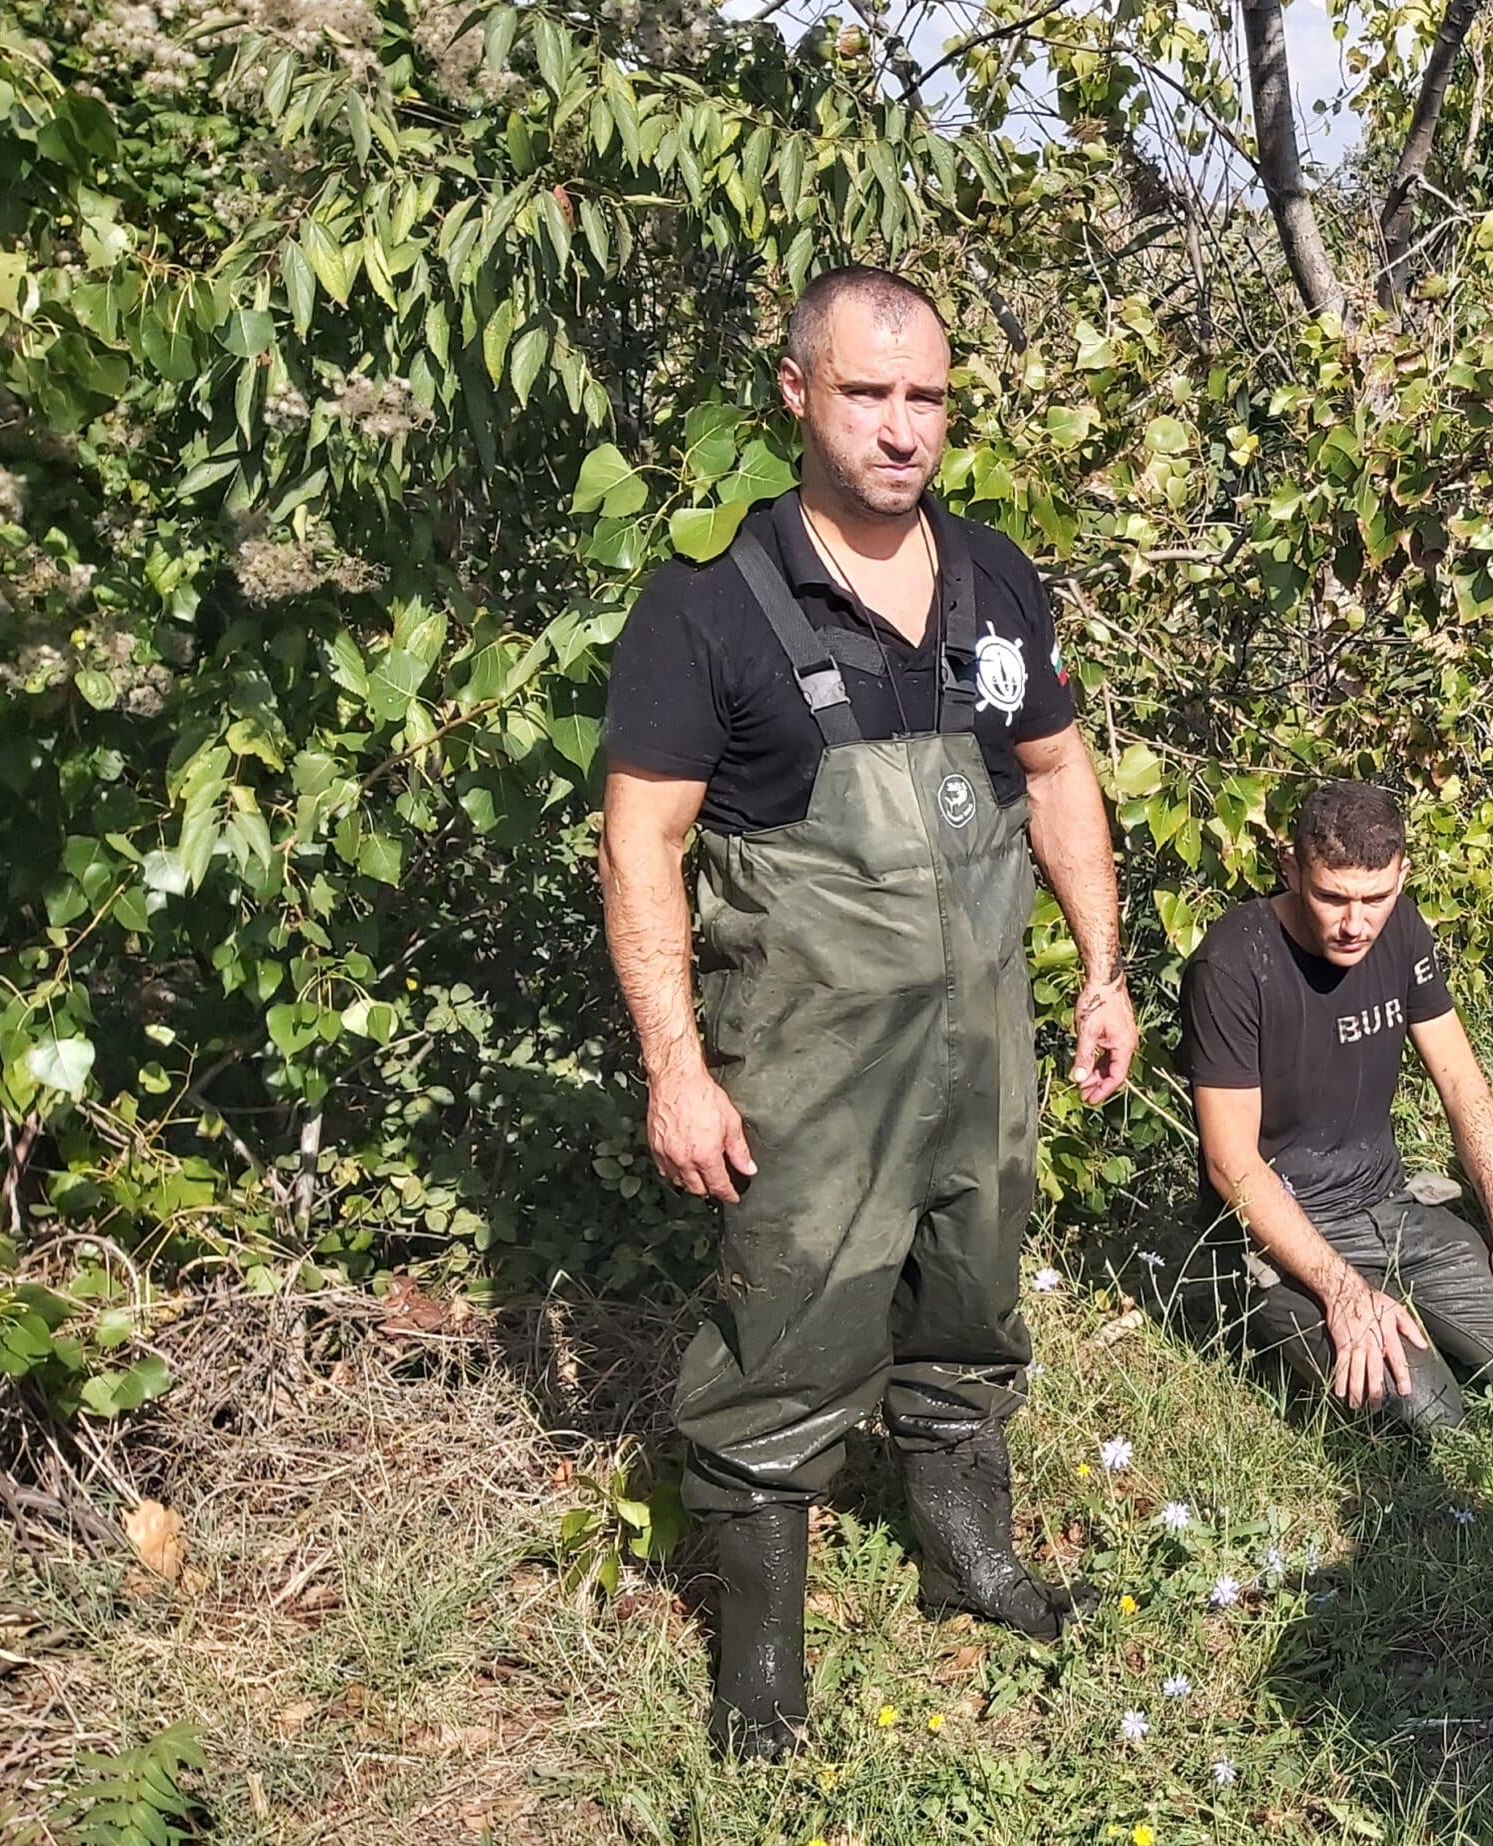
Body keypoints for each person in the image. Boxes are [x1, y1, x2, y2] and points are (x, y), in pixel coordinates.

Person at [599, 266, 1138, 1761]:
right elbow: (638, 839)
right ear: (796, 394)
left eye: (928, 398)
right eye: (868, 394)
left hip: (986, 1043)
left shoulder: (994, 573)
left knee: (970, 1298)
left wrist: (1101, 968)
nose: (903, 430)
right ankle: (760, 1684)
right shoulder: (712, 603)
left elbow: (1057, 776)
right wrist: (675, 1067)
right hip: (812, 1057)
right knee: (791, 1330)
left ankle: (972, 1565)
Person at [1184, 782, 1493, 1435]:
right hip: (1286, 1231)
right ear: (1291, 870)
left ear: (1402, 875)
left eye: (1375, 898)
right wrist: (1341, 1290)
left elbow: (1464, 1088)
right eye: (1332, 897)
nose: (1355, 922)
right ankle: (1266, 1326)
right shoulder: (1233, 963)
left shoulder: (1401, 927)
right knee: (1425, 1416)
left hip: (1388, 1206)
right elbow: (1231, 1164)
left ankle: (1404, 1311)